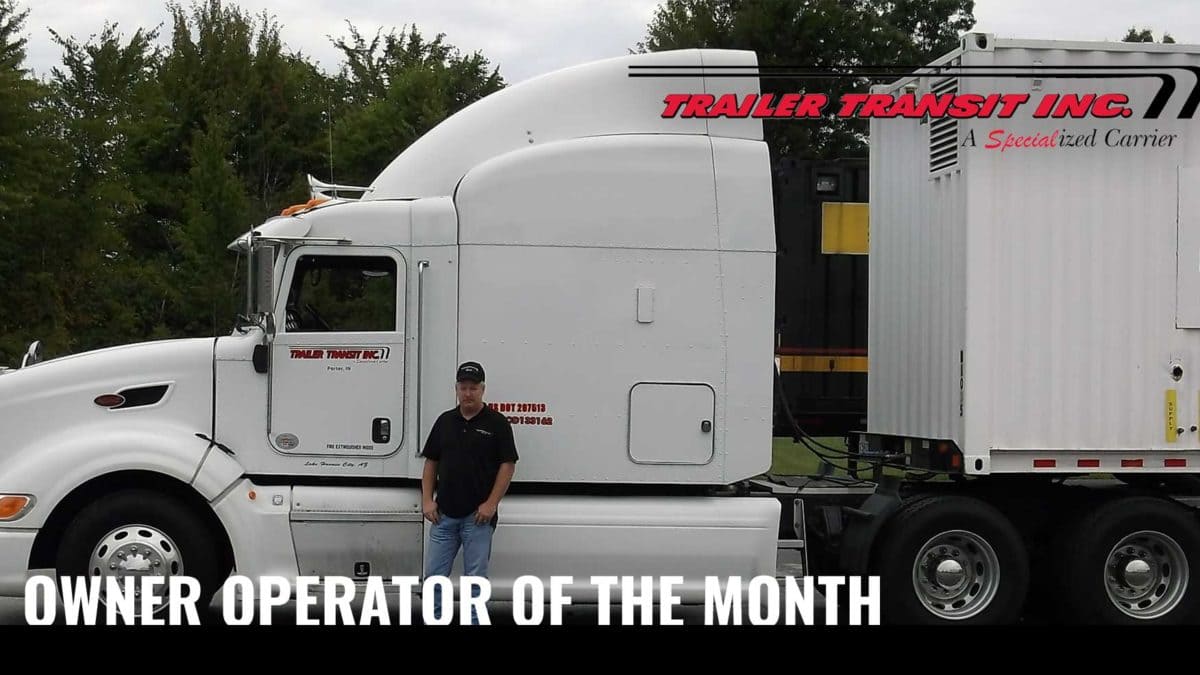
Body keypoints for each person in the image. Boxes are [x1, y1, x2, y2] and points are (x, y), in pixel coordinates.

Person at [420, 361, 518, 624]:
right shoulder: (445, 422)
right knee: (433, 578)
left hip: (478, 518)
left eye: (473, 388)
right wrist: (427, 500)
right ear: (456, 389)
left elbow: (507, 466)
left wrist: (491, 504)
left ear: (482, 389)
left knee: (475, 581)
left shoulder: (497, 423)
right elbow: (431, 462)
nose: (468, 393)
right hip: (444, 516)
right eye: (463, 387)